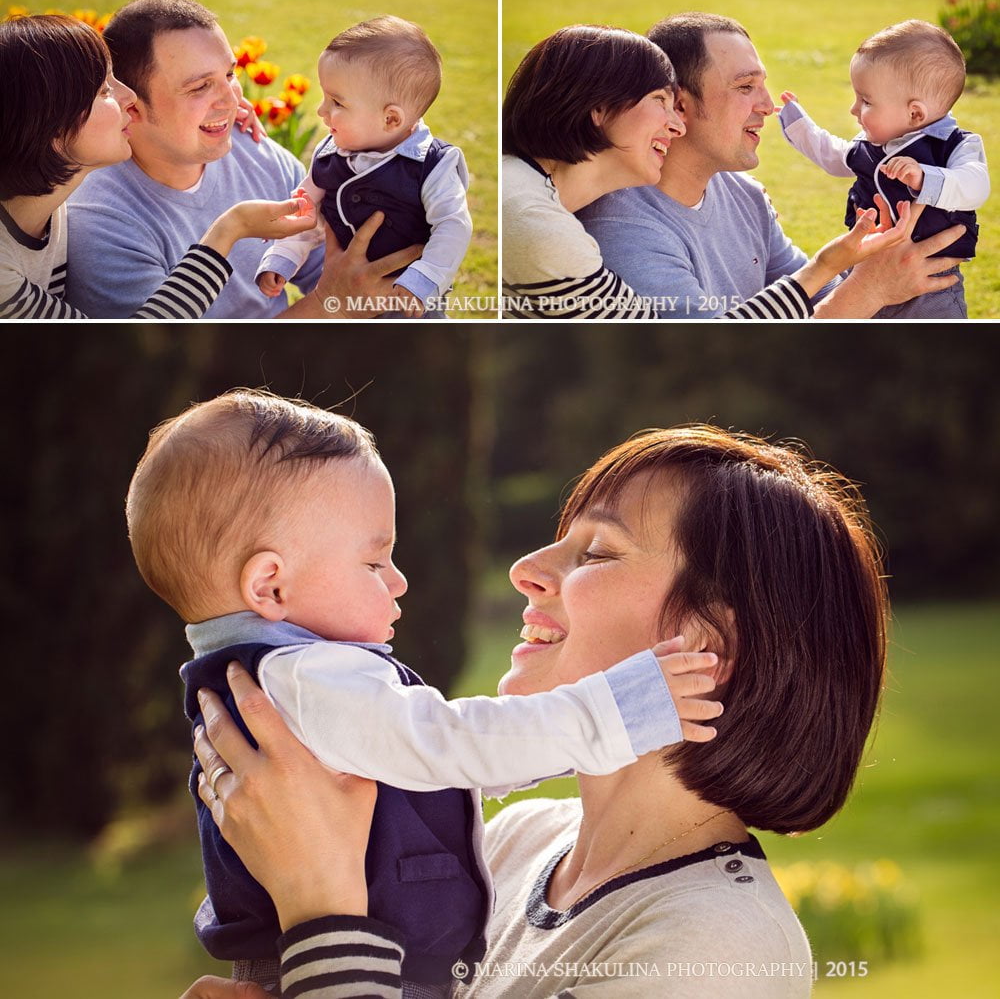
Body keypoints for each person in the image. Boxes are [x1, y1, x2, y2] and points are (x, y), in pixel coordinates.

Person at [185, 424, 888, 998]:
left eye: (598, 551)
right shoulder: (508, 845)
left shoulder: (717, 949)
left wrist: (319, 903)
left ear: (704, 645)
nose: (527, 566)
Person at [126, 390, 724, 995]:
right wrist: (617, 711)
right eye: (374, 562)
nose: (399, 580)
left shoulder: (281, 679)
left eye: (596, 552)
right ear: (270, 586)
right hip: (357, 964)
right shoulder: (307, 679)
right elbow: (449, 745)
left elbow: (436, 765)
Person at [501, 24, 924, 321]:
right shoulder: (604, 228)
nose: (767, 105)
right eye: (745, 87)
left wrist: (865, 275)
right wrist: (864, 287)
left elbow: (820, 297)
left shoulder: (743, 194)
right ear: (682, 104)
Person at [61, 0, 417, 320]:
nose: (232, 101)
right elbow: (187, 372)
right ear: (131, 107)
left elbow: (344, 275)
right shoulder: (103, 222)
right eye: (200, 87)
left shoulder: (255, 151)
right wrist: (329, 303)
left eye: (230, 75)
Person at [0, 12, 318, 320]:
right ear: (51, 127)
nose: (129, 98)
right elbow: (126, 351)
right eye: (105, 91)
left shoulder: (53, 210)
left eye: (230, 75)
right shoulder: (82, 221)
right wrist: (230, 230)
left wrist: (214, 106)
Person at [256, 16, 472, 319]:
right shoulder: (330, 154)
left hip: (406, 302)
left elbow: (453, 225)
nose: (321, 111)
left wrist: (422, 280)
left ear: (391, 119)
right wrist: (283, 256)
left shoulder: (432, 165)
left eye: (337, 102)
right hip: (345, 299)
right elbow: (303, 211)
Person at [779, 19, 989, 319]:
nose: (854, 110)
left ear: (914, 113)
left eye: (865, 101)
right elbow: (832, 154)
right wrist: (798, 123)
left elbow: (976, 185)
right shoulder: (871, 145)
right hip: (863, 272)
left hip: (929, 287)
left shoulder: (955, 145)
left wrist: (925, 177)